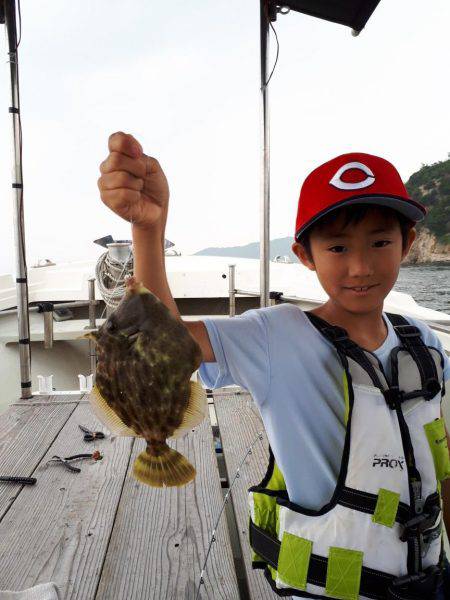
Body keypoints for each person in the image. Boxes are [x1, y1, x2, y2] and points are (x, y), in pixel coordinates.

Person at [98, 132, 450, 599]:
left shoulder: (423, 341)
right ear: (305, 256)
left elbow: (440, 466)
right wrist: (148, 230)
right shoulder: (274, 337)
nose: (361, 267)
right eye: (338, 248)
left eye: (381, 242)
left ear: (407, 245)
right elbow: (161, 342)